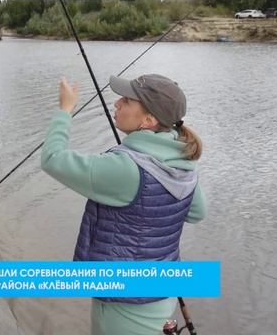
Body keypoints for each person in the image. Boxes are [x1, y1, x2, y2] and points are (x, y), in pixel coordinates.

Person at [41, 74, 207, 335]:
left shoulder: (124, 168)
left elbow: (52, 158)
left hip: (123, 303)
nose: (117, 103)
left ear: (149, 120)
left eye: (127, 100)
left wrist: (65, 110)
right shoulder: (183, 160)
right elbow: (197, 213)